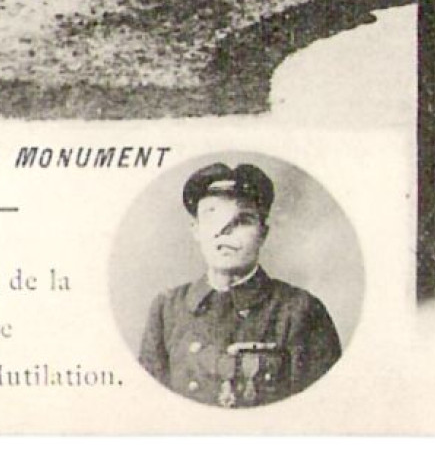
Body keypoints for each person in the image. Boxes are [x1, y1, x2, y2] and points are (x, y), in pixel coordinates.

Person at [138, 163, 341, 408]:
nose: (224, 232)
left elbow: (322, 410)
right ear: (196, 231)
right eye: (211, 215)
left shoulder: (300, 311)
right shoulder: (167, 309)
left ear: (262, 234)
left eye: (242, 220)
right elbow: (149, 408)